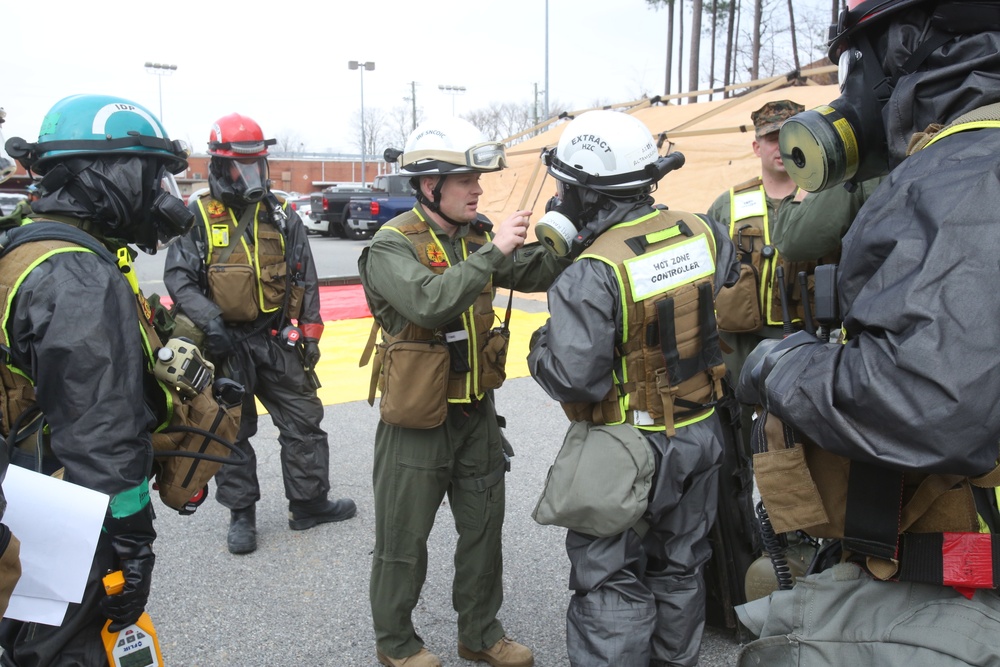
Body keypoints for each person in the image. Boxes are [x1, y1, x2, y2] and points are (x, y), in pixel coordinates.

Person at [736, 0, 1000, 664]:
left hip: (952, 573)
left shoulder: (963, 165)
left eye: (853, 62)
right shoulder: (964, 161)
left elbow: (930, 398)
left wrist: (783, 367)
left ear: (907, 45)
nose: (846, 92)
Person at [527, 109, 740, 667]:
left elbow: (575, 375)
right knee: (680, 565)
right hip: (700, 434)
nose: (561, 198)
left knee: (609, 580)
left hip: (627, 447)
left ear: (591, 194)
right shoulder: (703, 230)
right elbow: (717, 280)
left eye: (567, 188)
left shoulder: (590, 271)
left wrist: (540, 343)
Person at [358, 116, 567, 667]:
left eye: (478, 179)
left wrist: (568, 221)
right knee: (403, 543)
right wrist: (494, 252)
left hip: (476, 412)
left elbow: (539, 271)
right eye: (465, 180)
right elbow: (428, 301)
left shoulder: (477, 237)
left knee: (483, 533)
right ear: (429, 187)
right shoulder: (390, 246)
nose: (477, 188)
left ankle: (480, 633)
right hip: (417, 421)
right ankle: (397, 644)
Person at [0, 94, 194, 665]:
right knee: (72, 648)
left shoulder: (27, 246)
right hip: (68, 508)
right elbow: (101, 430)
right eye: (153, 176)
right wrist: (134, 536)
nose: (162, 196)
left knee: (29, 638)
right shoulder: (79, 273)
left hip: (20, 489)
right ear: (108, 174)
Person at [164, 112, 356, 555]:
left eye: (256, 165)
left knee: (304, 420)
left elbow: (305, 277)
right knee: (230, 430)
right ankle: (241, 515)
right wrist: (211, 323)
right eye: (239, 166)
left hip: (275, 337)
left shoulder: (282, 213)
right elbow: (179, 279)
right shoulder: (197, 215)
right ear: (218, 165)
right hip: (225, 344)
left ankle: (309, 504)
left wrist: (309, 335)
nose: (250, 175)